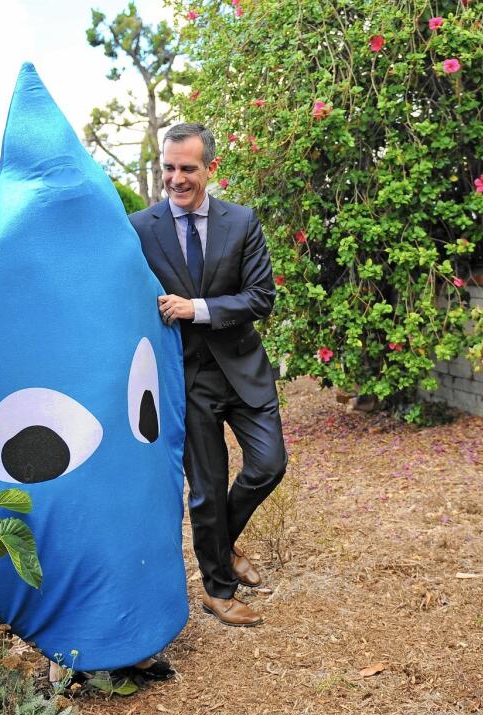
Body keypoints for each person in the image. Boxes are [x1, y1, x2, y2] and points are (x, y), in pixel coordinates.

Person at [129, 123, 287, 628]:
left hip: (243, 370)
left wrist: (194, 308)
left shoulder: (241, 222)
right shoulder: (138, 228)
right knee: (206, 489)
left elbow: (261, 297)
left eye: (187, 169)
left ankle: (220, 543)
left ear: (209, 169)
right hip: (184, 380)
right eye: (169, 167)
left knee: (269, 465)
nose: (175, 178)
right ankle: (218, 590)